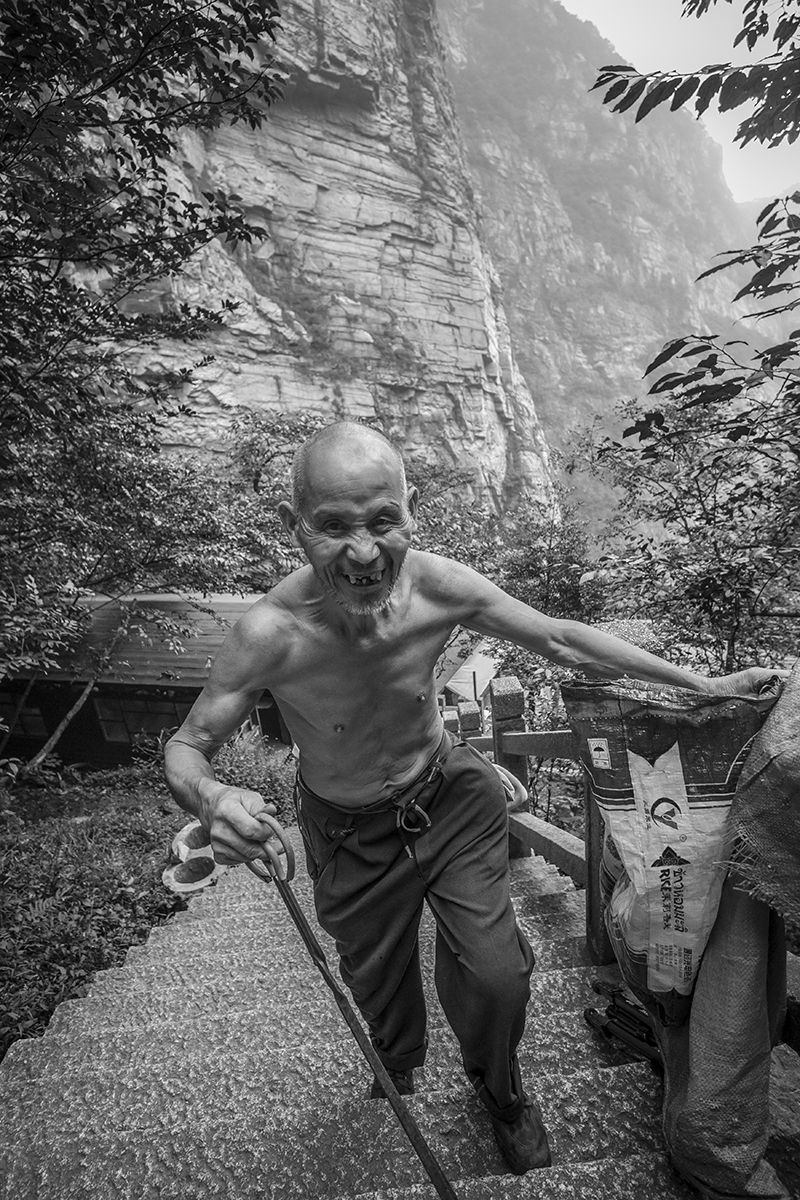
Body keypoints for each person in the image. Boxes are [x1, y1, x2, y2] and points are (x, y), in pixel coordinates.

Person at [164, 421, 780, 1176]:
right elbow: (188, 745)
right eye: (332, 528)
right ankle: (396, 1060)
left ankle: (502, 1088)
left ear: (410, 510)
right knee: (374, 979)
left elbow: (560, 637)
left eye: (382, 521)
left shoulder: (439, 586)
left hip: (450, 797)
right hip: (347, 827)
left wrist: (703, 687)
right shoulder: (268, 633)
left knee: (498, 973)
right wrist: (212, 797)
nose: (363, 553)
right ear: (293, 528)